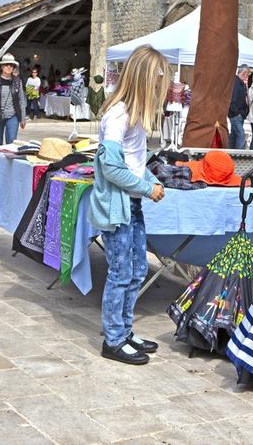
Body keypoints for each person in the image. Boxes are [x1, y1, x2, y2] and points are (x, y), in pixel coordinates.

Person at [88, 45, 168, 365]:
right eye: (158, 81)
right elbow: (112, 168)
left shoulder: (133, 117)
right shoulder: (118, 115)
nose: (161, 88)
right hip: (117, 207)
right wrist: (149, 188)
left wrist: (151, 179)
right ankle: (113, 338)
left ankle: (124, 329)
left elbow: (133, 164)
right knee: (121, 272)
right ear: (143, 79)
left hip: (131, 206)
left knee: (137, 270)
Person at [0, 53, 26, 146]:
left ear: (14, 67)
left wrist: (23, 118)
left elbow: (21, 100)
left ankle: (9, 160)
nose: (9, 67)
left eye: (11, 65)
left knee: (11, 142)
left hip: (13, 115)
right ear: (2, 66)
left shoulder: (18, 81)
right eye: (6, 64)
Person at [228, 65, 250, 149]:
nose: (247, 77)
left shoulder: (240, 83)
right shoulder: (236, 83)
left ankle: (231, 152)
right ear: (244, 73)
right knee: (241, 134)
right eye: (247, 74)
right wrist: (237, 113)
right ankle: (239, 154)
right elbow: (232, 100)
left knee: (234, 135)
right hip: (236, 114)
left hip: (239, 114)